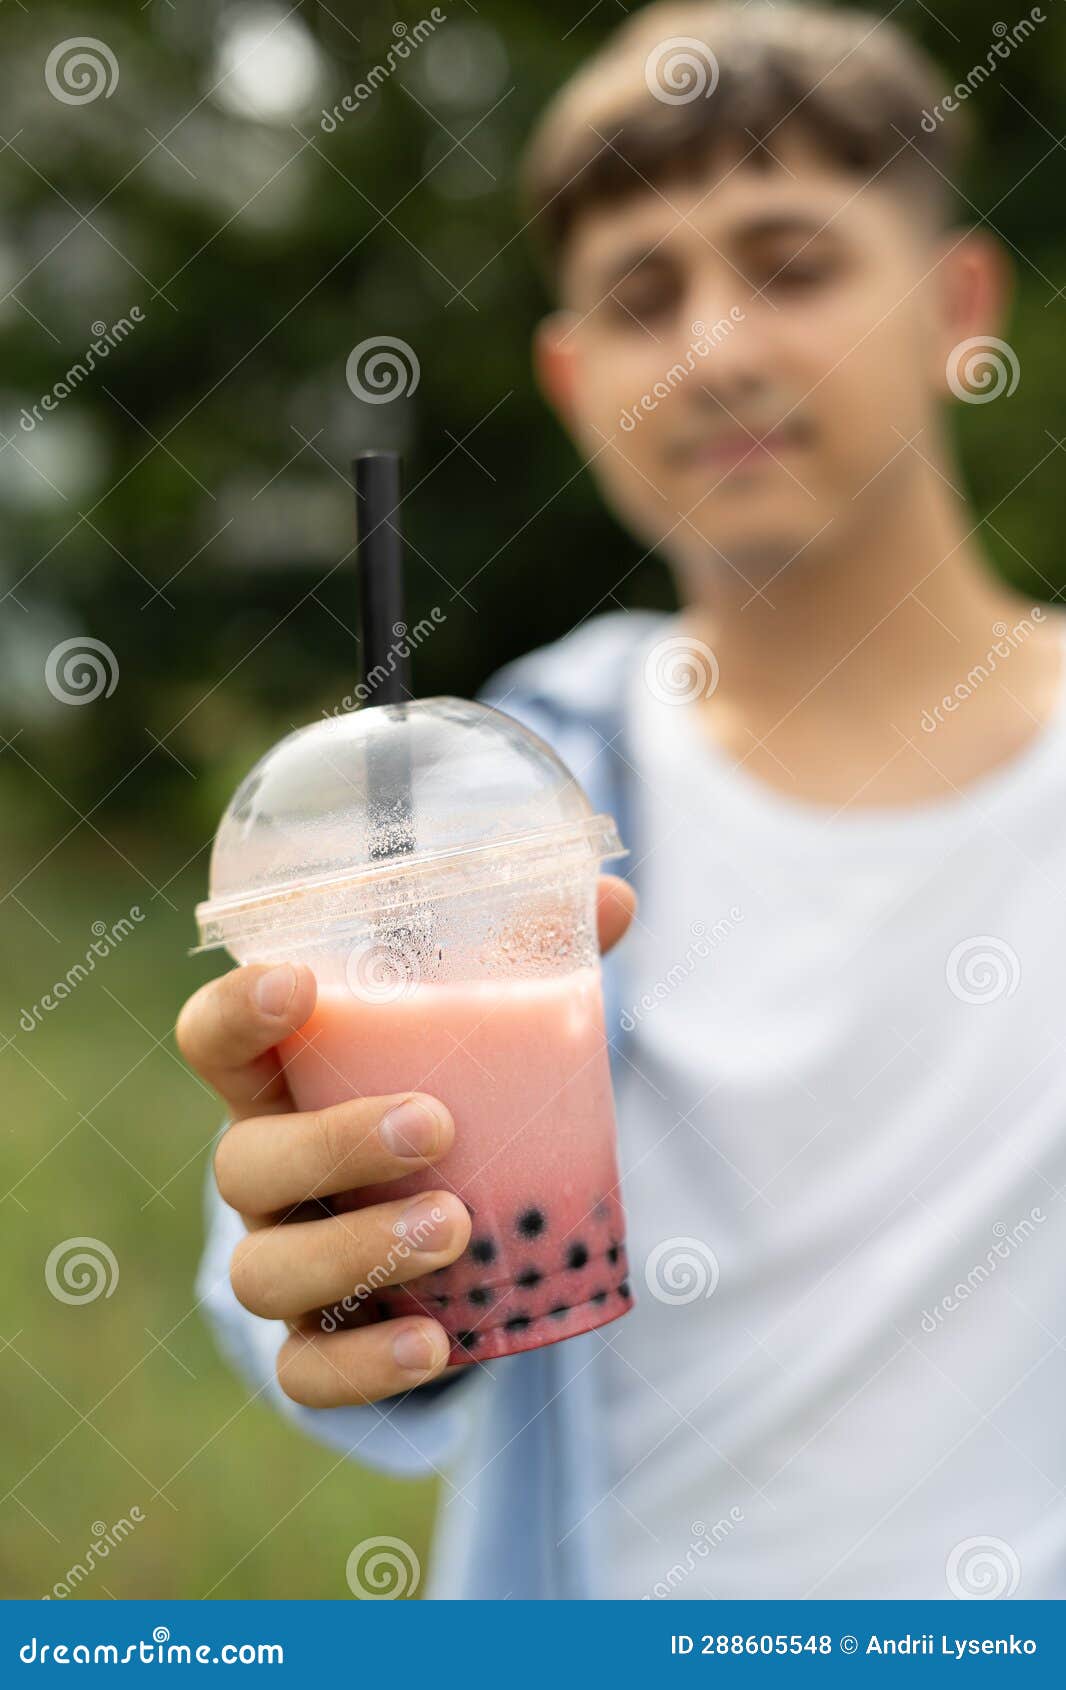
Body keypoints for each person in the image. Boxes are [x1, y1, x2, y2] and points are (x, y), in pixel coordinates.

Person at [178, 1, 1066, 1599]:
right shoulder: (498, 790)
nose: (718, 350)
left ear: (957, 304)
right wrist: (340, 1279)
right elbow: (292, 1291)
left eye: (791, 265)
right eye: (642, 298)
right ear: (573, 376)